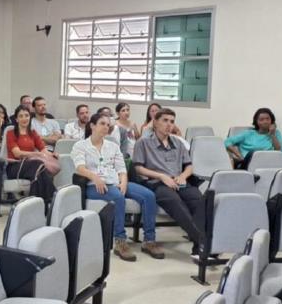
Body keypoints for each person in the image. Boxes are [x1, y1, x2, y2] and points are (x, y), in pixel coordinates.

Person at [71, 112, 157, 262]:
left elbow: (121, 168)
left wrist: (123, 181)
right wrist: (95, 177)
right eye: (102, 124)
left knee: (148, 195)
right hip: (93, 184)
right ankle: (120, 241)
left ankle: (149, 240)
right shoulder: (80, 145)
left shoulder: (113, 146)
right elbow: (80, 168)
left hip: (115, 182)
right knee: (117, 197)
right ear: (92, 126)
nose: (106, 127)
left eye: (108, 124)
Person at [132, 107, 205, 258]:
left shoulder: (178, 143)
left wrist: (183, 176)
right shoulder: (143, 142)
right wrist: (161, 176)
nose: (169, 124)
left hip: (178, 181)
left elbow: (189, 166)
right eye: (165, 120)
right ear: (155, 122)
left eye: (172, 121)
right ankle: (203, 241)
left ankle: (199, 243)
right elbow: (138, 168)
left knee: (198, 200)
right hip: (156, 182)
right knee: (175, 202)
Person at [6, 106, 58, 205]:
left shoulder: (33, 133)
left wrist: (52, 154)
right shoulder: (11, 133)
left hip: (33, 166)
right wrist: (36, 153)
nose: (24, 118)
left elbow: (43, 150)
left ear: (30, 117)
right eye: (21, 116)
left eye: (26, 115)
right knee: (38, 163)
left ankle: (35, 202)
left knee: (37, 176)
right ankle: (52, 196)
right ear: (16, 119)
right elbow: (18, 154)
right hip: (15, 166)